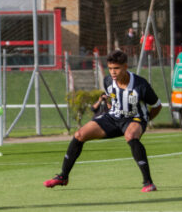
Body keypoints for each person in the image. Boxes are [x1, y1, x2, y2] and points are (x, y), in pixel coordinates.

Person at [43, 50, 162, 193]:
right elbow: (113, 98)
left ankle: (148, 182)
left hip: (135, 118)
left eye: (116, 68)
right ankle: (63, 176)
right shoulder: (107, 81)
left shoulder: (141, 85)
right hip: (113, 117)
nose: (113, 72)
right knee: (80, 134)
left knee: (130, 136)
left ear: (125, 67)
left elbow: (156, 106)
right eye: (110, 68)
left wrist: (145, 121)